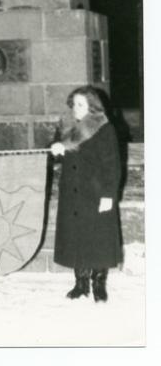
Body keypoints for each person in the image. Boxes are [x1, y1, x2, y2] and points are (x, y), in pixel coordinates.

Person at [50, 85, 123, 302]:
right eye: (74, 104)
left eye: (81, 105)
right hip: (72, 192)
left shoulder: (104, 129)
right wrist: (56, 150)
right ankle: (80, 284)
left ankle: (99, 284)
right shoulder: (67, 128)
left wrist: (108, 195)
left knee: (97, 238)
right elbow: (59, 155)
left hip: (95, 192)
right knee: (76, 237)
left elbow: (112, 165)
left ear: (92, 107)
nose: (76, 109)